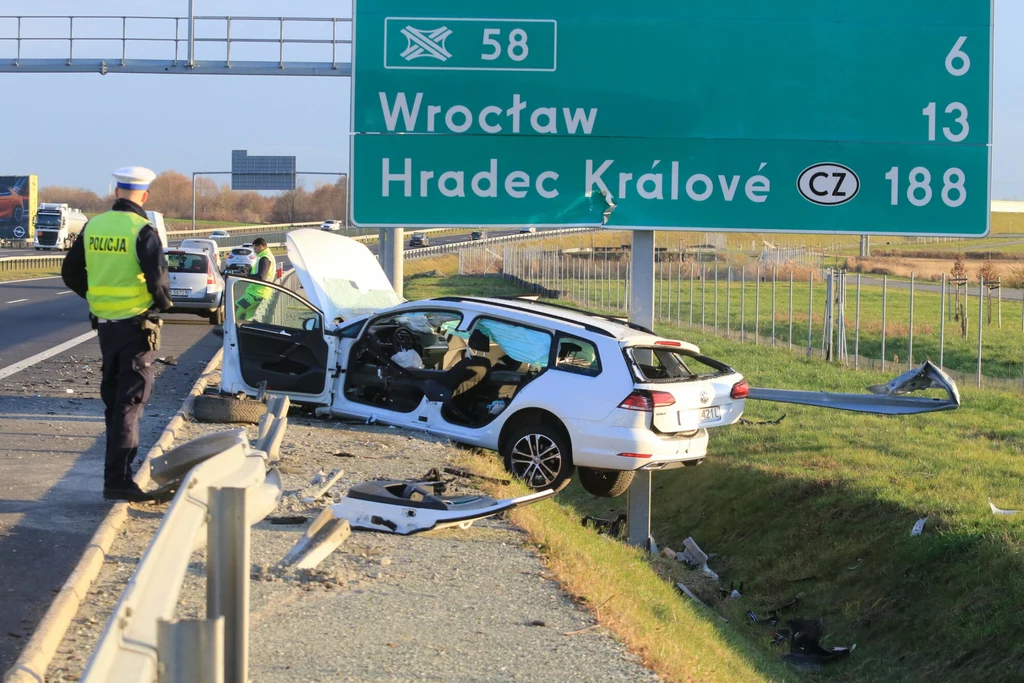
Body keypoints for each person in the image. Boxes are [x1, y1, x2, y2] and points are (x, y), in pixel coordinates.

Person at [62, 166, 171, 502]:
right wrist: (162, 305)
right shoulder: (142, 230)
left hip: (106, 326)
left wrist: (97, 298)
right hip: (137, 327)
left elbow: (70, 273)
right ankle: (119, 480)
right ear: (145, 196)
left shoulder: (94, 226)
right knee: (130, 402)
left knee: (115, 401)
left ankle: (117, 477)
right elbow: (159, 282)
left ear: (116, 192)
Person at [233, 237, 276, 321]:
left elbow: (261, 277)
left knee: (235, 309)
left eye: (255, 248)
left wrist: (246, 276)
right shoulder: (266, 257)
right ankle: (241, 333)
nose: (254, 250)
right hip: (260, 293)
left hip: (256, 294)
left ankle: (225, 330)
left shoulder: (265, 258)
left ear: (261, 246)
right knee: (246, 317)